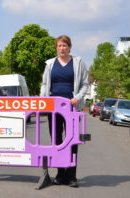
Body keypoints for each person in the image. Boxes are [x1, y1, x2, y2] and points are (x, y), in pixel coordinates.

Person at [40, 35, 89, 188]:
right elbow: (45, 84)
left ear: (69, 47)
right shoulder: (50, 64)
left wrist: (78, 98)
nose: (62, 48)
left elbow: (85, 84)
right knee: (57, 141)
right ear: (56, 48)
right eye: (59, 46)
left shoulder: (78, 63)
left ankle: (71, 176)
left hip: (72, 108)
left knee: (72, 141)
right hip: (53, 109)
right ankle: (60, 175)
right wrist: (43, 100)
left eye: (64, 46)